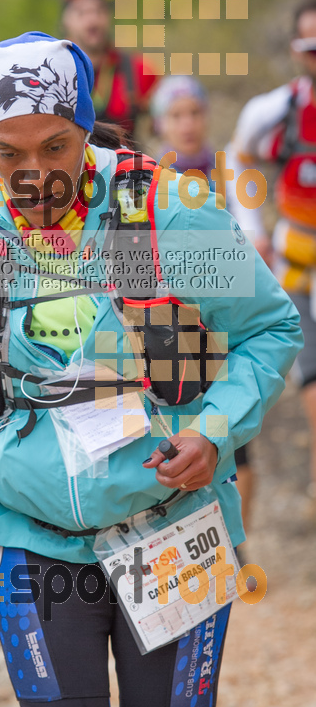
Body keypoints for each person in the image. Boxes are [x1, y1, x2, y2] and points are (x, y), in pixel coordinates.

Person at [0, 32, 302, 707]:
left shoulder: (166, 217)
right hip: (26, 534)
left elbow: (269, 331)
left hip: (172, 528)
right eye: (8, 154)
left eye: (55, 147)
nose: (35, 177)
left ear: (86, 127)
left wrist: (213, 431)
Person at [150, 75, 260, 557]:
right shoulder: (148, 179)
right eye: (177, 115)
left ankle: (236, 543)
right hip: (170, 332)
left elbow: (250, 233)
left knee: (240, 445)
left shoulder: (225, 169)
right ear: (159, 124)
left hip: (225, 329)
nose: (188, 124)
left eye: (195, 113)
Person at [226, 0, 316, 502]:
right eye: (311, 46)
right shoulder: (275, 111)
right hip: (297, 260)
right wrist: (251, 228)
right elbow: (238, 161)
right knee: (312, 381)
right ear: (294, 49)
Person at [60, 0, 158, 139]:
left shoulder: (139, 70)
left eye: (99, 11)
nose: (92, 20)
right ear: (65, 21)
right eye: (81, 12)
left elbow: (169, 123)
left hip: (126, 162)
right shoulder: (54, 72)